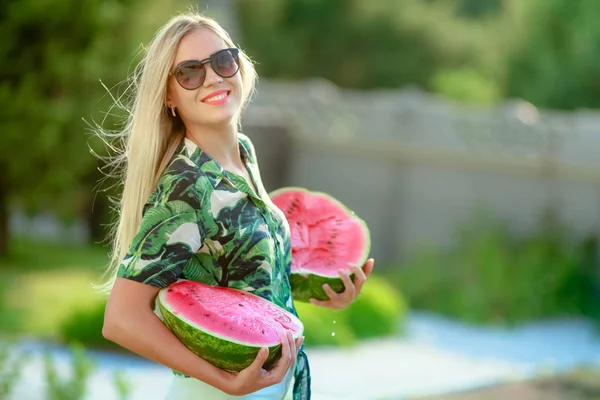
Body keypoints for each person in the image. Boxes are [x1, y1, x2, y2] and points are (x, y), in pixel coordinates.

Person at [98, 11, 375, 400]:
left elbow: (239, 275)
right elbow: (121, 320)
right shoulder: (188, 185)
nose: (212, 77)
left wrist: (319, 290)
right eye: (190, 72)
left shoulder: (243, 153)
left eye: (222, 61)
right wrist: (223, 381)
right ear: (169, 97)